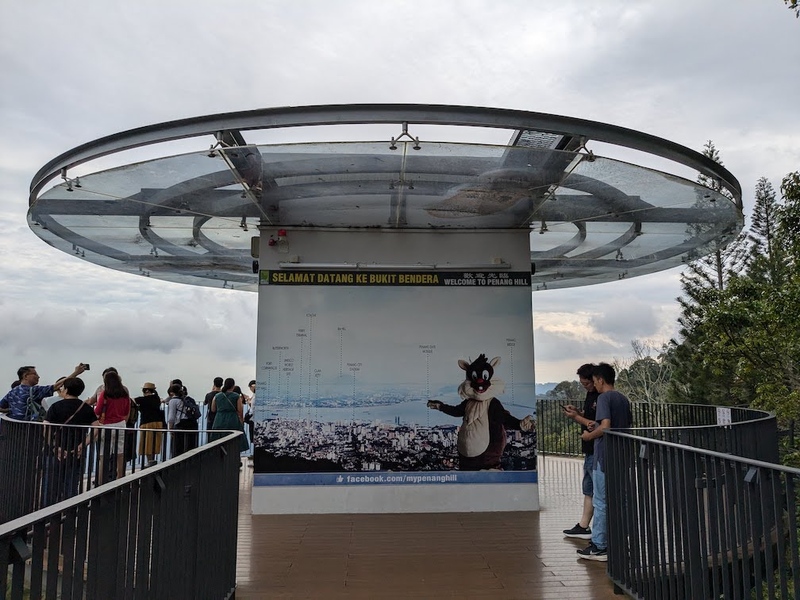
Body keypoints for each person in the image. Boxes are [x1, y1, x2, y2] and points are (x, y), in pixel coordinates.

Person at [577, 362, 632, 562]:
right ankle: (619, 542)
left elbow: (606, 426)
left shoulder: (603, 398)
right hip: (621, 455)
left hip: (604, 456)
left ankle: (600, 546)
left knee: (600, 501)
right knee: (619, 500)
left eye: (594, 381)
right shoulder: (622, 398)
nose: (594, 385)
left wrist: (589, 436)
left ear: (600, 380)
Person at [42, 377, 100, 505]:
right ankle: (70, 511)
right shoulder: (85, 408)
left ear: (66, 389)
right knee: (72, 484)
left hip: (55, 451)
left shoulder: (55, 406)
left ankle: (48, 512)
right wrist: (83, 445)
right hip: (76, 452)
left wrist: (54, 446)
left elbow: (46, 427)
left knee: (50, 486)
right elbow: (96, 427)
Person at [562, 363, 599, 540]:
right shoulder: (591, 395)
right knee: (588, 488)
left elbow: (595, 424)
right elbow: (590, 417)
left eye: (587, 383)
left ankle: (598, 534)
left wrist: (576, 417)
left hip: (596, 447)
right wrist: (578, 412)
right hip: (589, 448)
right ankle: (583, 526)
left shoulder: (602, 396)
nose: (585, 386)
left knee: (596, 490)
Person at [1, 364, 88, 420]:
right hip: (30, 429)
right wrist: (76, 373)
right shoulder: (34, 390)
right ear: (26, 376)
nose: (38, 376)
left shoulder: (12, 392)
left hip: (13, 429)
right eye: (35, 374)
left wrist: (12, 410)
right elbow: (57, 386)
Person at [94, 370, 131, 481]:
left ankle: (101, 482)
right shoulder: (124, 394)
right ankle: (120, 480)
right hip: (121, 425)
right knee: (120, 454)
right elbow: (126, 411)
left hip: (106, 425)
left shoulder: (105, 394)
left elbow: (98, 411)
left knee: (103, 456)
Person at [210, 378, 249, 452]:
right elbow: (240, 410)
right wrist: (241, 421)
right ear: (233, 386)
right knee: (233, 438)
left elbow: (213, 409)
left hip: (219, 419)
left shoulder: (217, 396)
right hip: (232, 419)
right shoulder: (236, 396)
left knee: (219, 439)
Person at [136, 382, 165, 467]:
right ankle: (152, 461)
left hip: (147, 423)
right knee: (154, 444)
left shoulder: (142, 400)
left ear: (147, 391)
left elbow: (132, 401)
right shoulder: (156, 399)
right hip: (158, 423)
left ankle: (149, 462)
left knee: (147, 444)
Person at [168, 383, 198, 457]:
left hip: (180, 424)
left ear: (172, 392)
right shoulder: (188, 399)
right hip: (192, 424)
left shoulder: (173, 401)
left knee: (178, 446)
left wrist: (170, 428)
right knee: (190, 446)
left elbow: (171, 417)